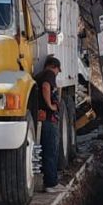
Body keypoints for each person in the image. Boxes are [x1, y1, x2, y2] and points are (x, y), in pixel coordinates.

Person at [36, 56, 63, 193]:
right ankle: (51, 183)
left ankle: (49, 182)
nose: (57, 74)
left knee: (48, 150)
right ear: (54, 66)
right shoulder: (48, 74)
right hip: (48, 118)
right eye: (58, 70)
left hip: (44, 118)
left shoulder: (39, 75)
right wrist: (51, 106)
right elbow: (46, 87)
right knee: (50, 150)